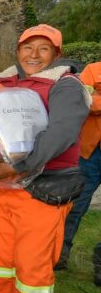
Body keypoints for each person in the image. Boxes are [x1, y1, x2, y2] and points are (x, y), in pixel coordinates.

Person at [0, 25, 88, 293]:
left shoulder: (66, 86)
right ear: (17, 50)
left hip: (41, 187)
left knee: (32, 265)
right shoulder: (2, 82)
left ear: (57, 54)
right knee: (1, 259)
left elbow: (62, 134)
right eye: (27, 47)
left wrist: (23, 166)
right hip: (1, 185)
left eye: (43, 49)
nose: (33, 55)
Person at [56, 60, 101, 279]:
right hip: (90, 154)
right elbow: (83, 100)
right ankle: (58, 254)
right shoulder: (94, 70)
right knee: (75, 206)